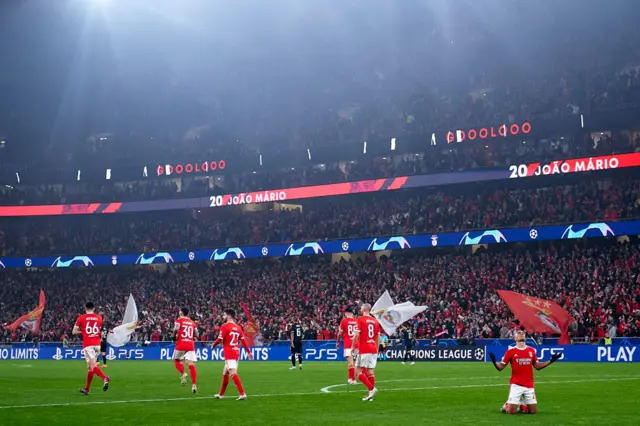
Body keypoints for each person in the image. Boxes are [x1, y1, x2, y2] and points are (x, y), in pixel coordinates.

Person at [489, 330, 562, 414]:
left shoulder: (531, 350)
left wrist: (551, 360)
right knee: (511, 412)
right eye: (518, 333)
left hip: (529, 385)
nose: (521, 334)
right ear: (515, 338)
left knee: (533, 412)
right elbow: (500, 367)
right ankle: (507, 405)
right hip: (516, 385)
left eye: (522, 333)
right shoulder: (510, 352)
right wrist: (494, 362)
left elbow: (537, 366)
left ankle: (521, 405)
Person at [213, 309, 254, 400]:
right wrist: (249, 352)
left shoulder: (224, 326)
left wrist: (213, 345)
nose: (223, 317)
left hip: (229, 353)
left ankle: (242, 394)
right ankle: (221, 394)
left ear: (228, 315)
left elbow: (219, 339)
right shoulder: (238, 327)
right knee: (225, 373)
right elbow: (243, 341)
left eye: (224, 315)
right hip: (235, 352)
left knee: (232, 373)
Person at [73, 302, 111, 395]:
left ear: (85, 308)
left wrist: (83, 330)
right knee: (90, 368)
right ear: (94, 308)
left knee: (93, 367)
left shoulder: (81, 318)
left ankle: (104, 377)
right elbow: (99, 331)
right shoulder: (99, 318)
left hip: (88, 345)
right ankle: (86, 389)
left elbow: (74, 332)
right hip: (97, 345)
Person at [351, 303, 380, 402]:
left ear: (364, 309)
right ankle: (370, 395)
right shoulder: (375, 321)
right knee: (370, 372)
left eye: (361, 308)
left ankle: (371, 388)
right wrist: (377, 349)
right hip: (373, 348)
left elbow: (356, 335)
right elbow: (378, 337)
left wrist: (352, 347)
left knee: (357, 370)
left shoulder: (360, 319)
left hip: (364, 349)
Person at [173, 307, 199, 393]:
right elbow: (197, 334)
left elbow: (176, 329)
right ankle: (194, 385)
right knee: (191, 364)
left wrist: (174, 337)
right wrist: (192, 336)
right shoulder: (192, 322)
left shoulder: (179, 320)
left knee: (176, 360)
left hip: (181, 344)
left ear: (181, 313)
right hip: (190, 345)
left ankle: (183, 373)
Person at [336, 307, 358, 384]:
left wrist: (338, 342)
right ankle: (350, 378)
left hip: (348, 344)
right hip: (356, 344)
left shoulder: (344, 321)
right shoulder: (357, 321)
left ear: (345, 313)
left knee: (350, 362)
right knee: (356, 362)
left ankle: (353, 379)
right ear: (352, 313)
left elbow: (339, 333)